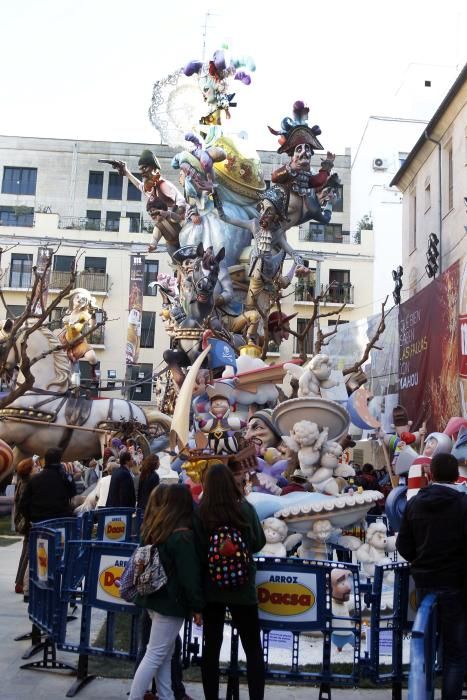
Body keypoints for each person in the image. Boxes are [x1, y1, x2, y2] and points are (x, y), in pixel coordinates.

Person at [397, 453, 467, 700]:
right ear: (456, 476)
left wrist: (421, 558)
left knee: (425, 645)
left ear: (430, 474)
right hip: (455, 585)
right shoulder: (462, 504)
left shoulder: (415, 503)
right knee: (455, 653)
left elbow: (403, 546)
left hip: (425, 583)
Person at [195, 462, 266, 700]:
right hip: (243, 586)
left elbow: (198, 548)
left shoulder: (201, 511)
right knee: (253, 648)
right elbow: (258, 542)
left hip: (211, 588)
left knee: (211, 648)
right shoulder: (244, 509)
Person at [129, 484, 204, 700]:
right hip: (170, 602)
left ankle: (166, 695)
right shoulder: (182, 536)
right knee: (155, 654)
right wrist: (197, 606)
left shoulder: (156, 528)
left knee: (164, 654)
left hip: (154, 598)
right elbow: (189, 576)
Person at [19, 447, 76, 524]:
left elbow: (23, 505)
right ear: (60, 460)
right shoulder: (66, 478)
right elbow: (73, 495)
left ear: (45, 460)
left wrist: (31, 518)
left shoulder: (34, 480)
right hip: (62, 521)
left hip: (39, 522)